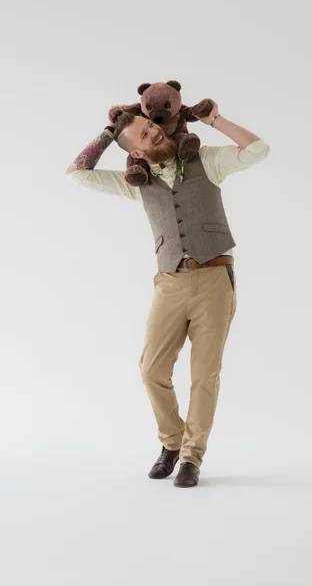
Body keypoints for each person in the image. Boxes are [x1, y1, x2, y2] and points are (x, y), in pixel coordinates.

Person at [66, 100, 271, 487]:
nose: (155, 131)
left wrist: (213, 120)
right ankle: (172, 442)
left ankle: (192, 457)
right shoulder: (135, 185)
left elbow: (258, 150)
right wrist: (110, 134)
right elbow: (77, 173)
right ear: (137, 151)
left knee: (204, 375)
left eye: (152, 125)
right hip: (169, 283)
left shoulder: (205, 161)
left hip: (214, 279)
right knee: (151, 371)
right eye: (144, 133)